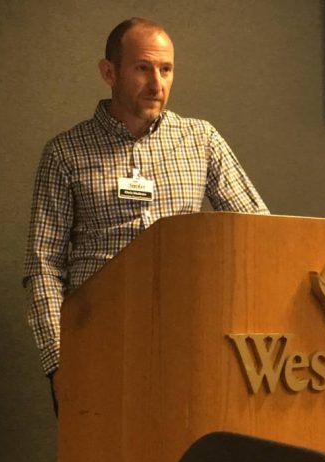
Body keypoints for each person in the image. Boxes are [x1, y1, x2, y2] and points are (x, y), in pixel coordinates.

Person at [22, 18, 269, 412]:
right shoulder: (65, 154)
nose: (157, 84)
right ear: (109, 72)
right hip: (98, 346)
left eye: (166, 69)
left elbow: (257, 231)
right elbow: (43, 266)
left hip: (187, 344)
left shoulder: (201, 140)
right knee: (104, 453)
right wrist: (60, 362)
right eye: (143, 68)